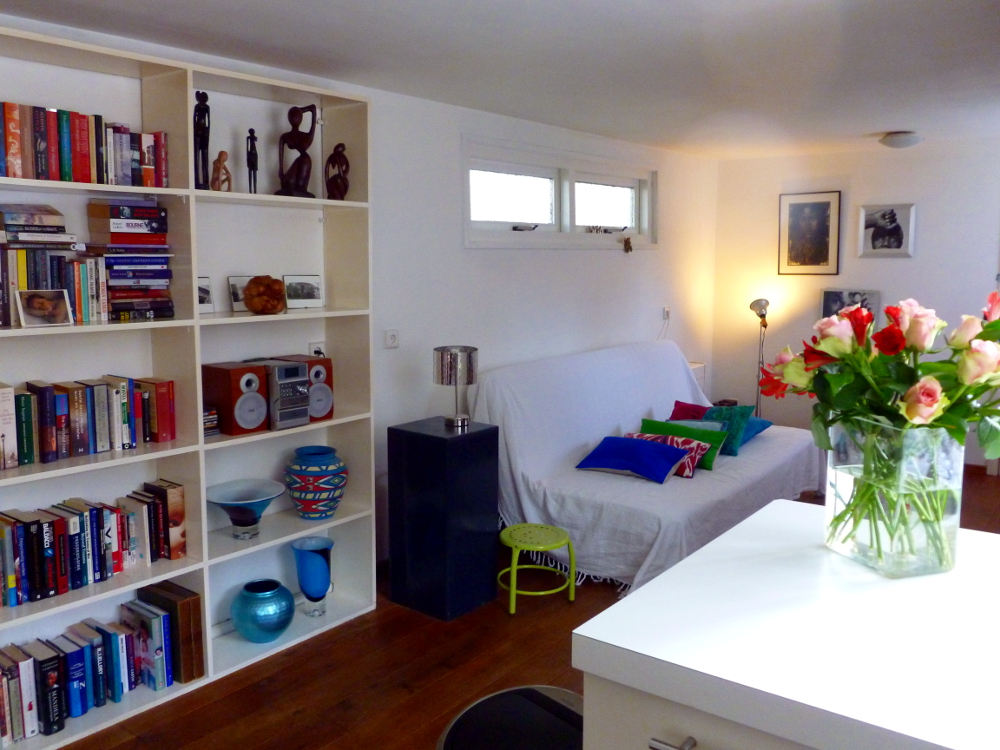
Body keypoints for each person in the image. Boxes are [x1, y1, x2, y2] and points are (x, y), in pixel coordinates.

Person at [276, 104, 317, 198]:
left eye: (297, 117)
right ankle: (299, 189)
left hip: (305, 161)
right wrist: (281, 172)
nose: (295, 119)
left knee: (299, 185)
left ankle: (301, 190)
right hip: (303, 162)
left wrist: (300, 110)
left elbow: (313, 108)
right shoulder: (286, 136)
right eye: (293, 117)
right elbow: (280, 155)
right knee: (289, 184)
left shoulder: (305, 136)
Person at [787, 202, 830, 266]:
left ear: (821, 220)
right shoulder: (790, 246)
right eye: (803, 219)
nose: (808, 224)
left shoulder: (827, 246)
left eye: (812, 218)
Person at [246, 128, 258, 194]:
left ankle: (255, 190)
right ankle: (250, 190)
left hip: (254, 154)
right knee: (250, 172)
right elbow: (247, 147)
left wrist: (253, 137)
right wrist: (247, 157)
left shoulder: (253, 137)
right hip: (250, 154)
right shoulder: (248, 138)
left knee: (255, 172)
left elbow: (256, 139)